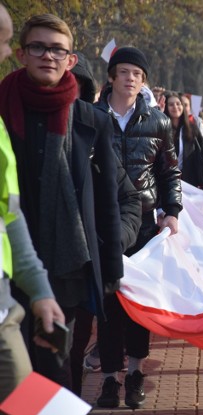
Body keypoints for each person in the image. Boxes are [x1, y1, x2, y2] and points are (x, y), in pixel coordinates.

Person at [0, 13, 123, 391]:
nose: (48, 56)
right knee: (16, 367)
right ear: (21, 54)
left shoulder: (93, 121)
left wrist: (112, 268)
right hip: (10, 262)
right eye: (38, 47)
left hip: (67, 264)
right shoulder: (2, 106)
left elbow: (108, 200)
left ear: (71, 60)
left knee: (55, 366)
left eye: (58, 50)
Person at [95, 46, 182, 409]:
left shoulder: (157, 121)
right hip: (102, 223)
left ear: (143, 81)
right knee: (109, 304)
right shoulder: (91, 116)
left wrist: (172, 210)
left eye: (137, 74)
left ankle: (134, 373)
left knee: (138, 304)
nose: (130, 79)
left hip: (144, 226)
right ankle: (108, 379)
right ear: (112, 76)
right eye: (124, 71)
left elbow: (170, 171)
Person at [0, 7, 65, 415]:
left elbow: (8, 214)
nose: (7, 53)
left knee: (40, 413)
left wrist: (40, 291)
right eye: (3, 41)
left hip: (6, 309)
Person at [68, 51, 142, 397]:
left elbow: (129, 198)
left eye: (73, 89)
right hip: (26, 274)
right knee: (31, 357)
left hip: (88, 264)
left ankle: (61, 412)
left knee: (69, 349)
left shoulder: (93, 136)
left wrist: (113, 244)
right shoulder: (15, 128)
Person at [164, 91, 203, 196]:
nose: (175, 107)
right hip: (167, 183)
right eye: (171, 104)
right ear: (166, 107)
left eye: (178, 103)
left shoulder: (192, 128)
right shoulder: (161, 129)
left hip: (190, 183)